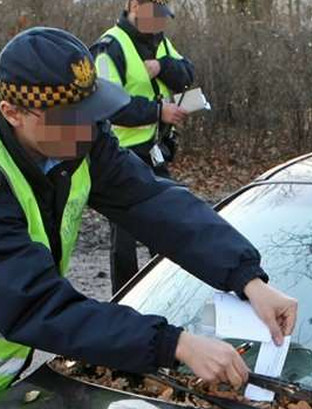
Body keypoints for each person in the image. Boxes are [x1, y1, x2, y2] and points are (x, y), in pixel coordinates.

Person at [0, 27, 297, 409]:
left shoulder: (66, 116)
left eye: (90, 113)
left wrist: (246, 277)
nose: (85, 134)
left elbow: (149, 200)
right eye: (68, 122)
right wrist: (174, 345)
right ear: (12, 112)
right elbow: (36, 305)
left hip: (10, 347)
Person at [92, 0, 194, 293]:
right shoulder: (110, 47)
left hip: (156, 153)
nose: (161, 22)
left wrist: (162, 66)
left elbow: (186, 74)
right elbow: (107, 106)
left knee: (167, 225)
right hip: (119, 156)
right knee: (124, 241)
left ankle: (165, 293)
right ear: (135, 5)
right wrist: (157, 111)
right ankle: (125, 300)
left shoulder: (161, 43)